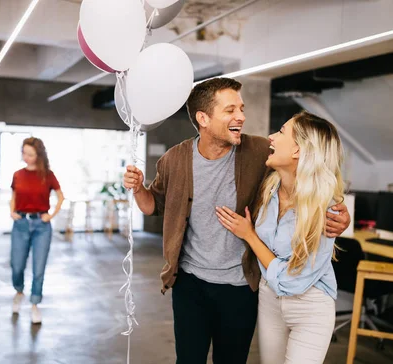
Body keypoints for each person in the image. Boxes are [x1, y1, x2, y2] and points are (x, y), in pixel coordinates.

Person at [123, 78, 351, 363]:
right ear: (203, 118)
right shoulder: (175, 159)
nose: (241, 117)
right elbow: (152, 205)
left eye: (241, 109)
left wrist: (339, 212)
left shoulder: (257, 152)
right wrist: (138, 189)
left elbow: (310, 165)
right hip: (191, 283)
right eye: (230, 110)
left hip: (240, 286)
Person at [216, 111, 344, 364]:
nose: (271, 137)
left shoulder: (325, 208)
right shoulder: (269, 188)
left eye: (282, 131)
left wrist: (250, 236)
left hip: (310, 305)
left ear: (298, 150)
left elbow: (292, 282)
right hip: (269, 298)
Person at [10, 137, 64, 324]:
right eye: (24, 153)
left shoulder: (47, 175)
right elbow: (14, 196)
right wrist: (11, 211)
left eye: (30, 154)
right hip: (21, 224)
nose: (26, 157)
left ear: (39, 155)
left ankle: (34, 304)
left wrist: (51, 215)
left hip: (42, 226)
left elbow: (61, 197)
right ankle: (18, 291)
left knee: (38, 268)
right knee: (17, 265)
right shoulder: (17, 174)